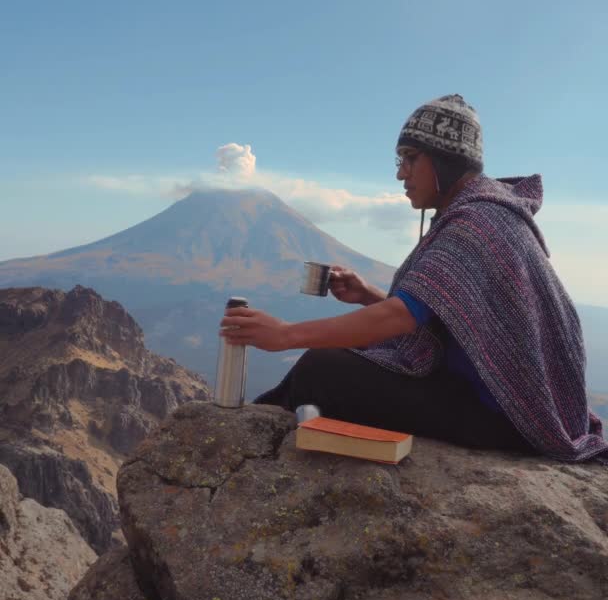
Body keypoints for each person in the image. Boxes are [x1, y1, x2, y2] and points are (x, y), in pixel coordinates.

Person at [220, 95, 607, 462]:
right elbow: (448, 315)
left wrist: (284, 334)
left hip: (507, 417)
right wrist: (370, 296)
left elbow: (400, 318)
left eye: (409, 158)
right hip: (500, 403)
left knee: (322, 370)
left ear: (445, 161)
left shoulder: (476, 223)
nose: (400, 173)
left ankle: (252, 431)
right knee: (339, 364)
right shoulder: (485, 214)